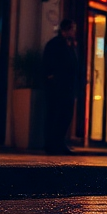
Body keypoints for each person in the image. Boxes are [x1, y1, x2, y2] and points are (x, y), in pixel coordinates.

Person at [42, 19, 82, 155]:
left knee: (65, 116)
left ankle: (59, 142)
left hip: (68, 87)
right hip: (58, 88)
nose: (74, 32)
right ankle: (52, 144)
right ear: (66, 30)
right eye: (72, 29)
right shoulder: (55, 44)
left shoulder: (70, 45)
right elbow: (48, 64)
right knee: (55, 114)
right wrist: (52, 79)